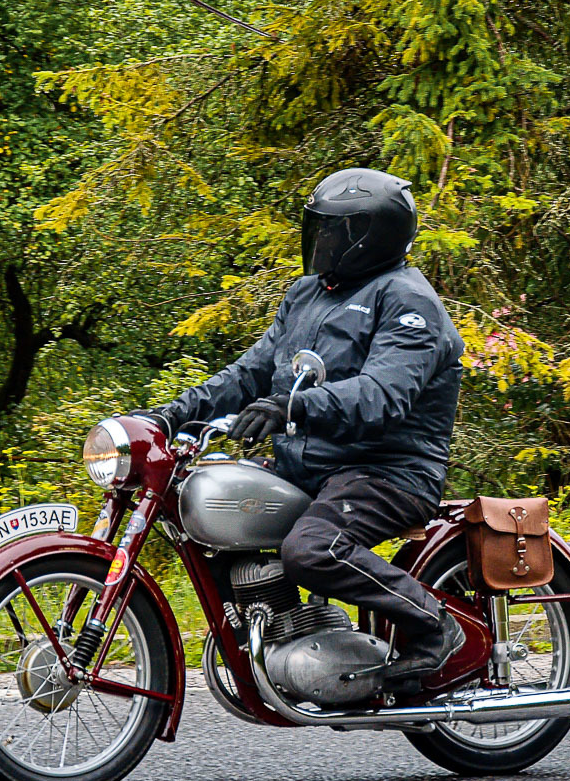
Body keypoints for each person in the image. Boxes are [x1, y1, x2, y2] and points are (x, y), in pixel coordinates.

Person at [139, 167, 466, 683]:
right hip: (309, 465)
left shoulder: (408, 301)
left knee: (312, 551)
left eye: (333, 231)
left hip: (387, 470)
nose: (321, 241)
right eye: (319, 228)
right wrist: (169, 415)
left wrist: (293, 407)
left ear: (369, 237)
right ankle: (278, 634)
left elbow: (382, 395)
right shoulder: (308, 293)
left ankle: (436, 626)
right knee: (209, 513)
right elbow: (249, 372)